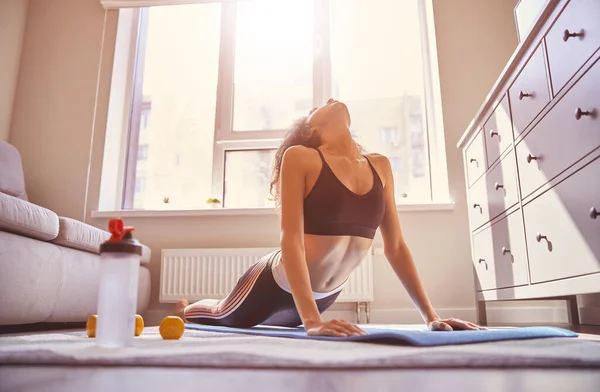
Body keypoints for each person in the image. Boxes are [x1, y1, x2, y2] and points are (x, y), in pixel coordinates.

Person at [176, 98, 484, 337]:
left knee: (276, 327)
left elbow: (396, 246)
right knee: (221, 313)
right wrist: (312, 321)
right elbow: (291, 240)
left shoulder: (381, 166)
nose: (331, 99)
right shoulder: (300, 156)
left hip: (325, 296)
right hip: (275, 283)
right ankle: (186, 309)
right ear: (310, 129)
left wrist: (432, 317)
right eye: (320, 105)